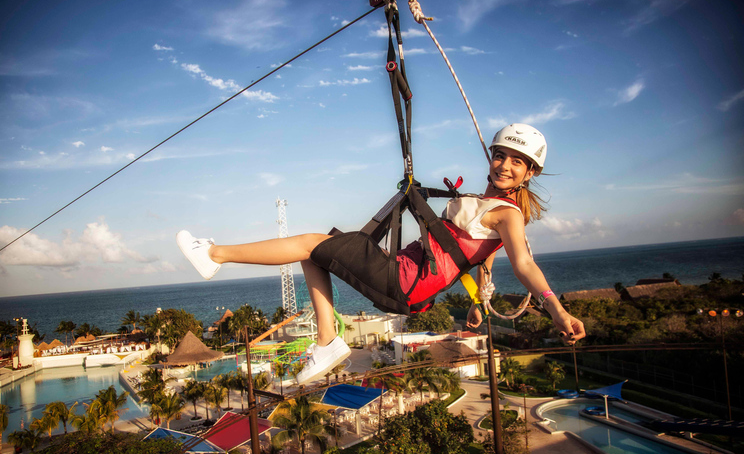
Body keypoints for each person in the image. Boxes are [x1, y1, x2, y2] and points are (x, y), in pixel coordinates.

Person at [177, 123, 586, 384]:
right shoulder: (485, 205)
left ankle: (214, 255)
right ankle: (327, 341)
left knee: (308, 242)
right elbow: (481, 253)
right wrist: (479, 298)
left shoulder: (509, 216)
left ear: (530, 173)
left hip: (405, 280)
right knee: (315, 251)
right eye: (500, 156)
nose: (505, 166)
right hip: (404, 273)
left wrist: (557, 310)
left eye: (518, 162)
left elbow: (524, 263)